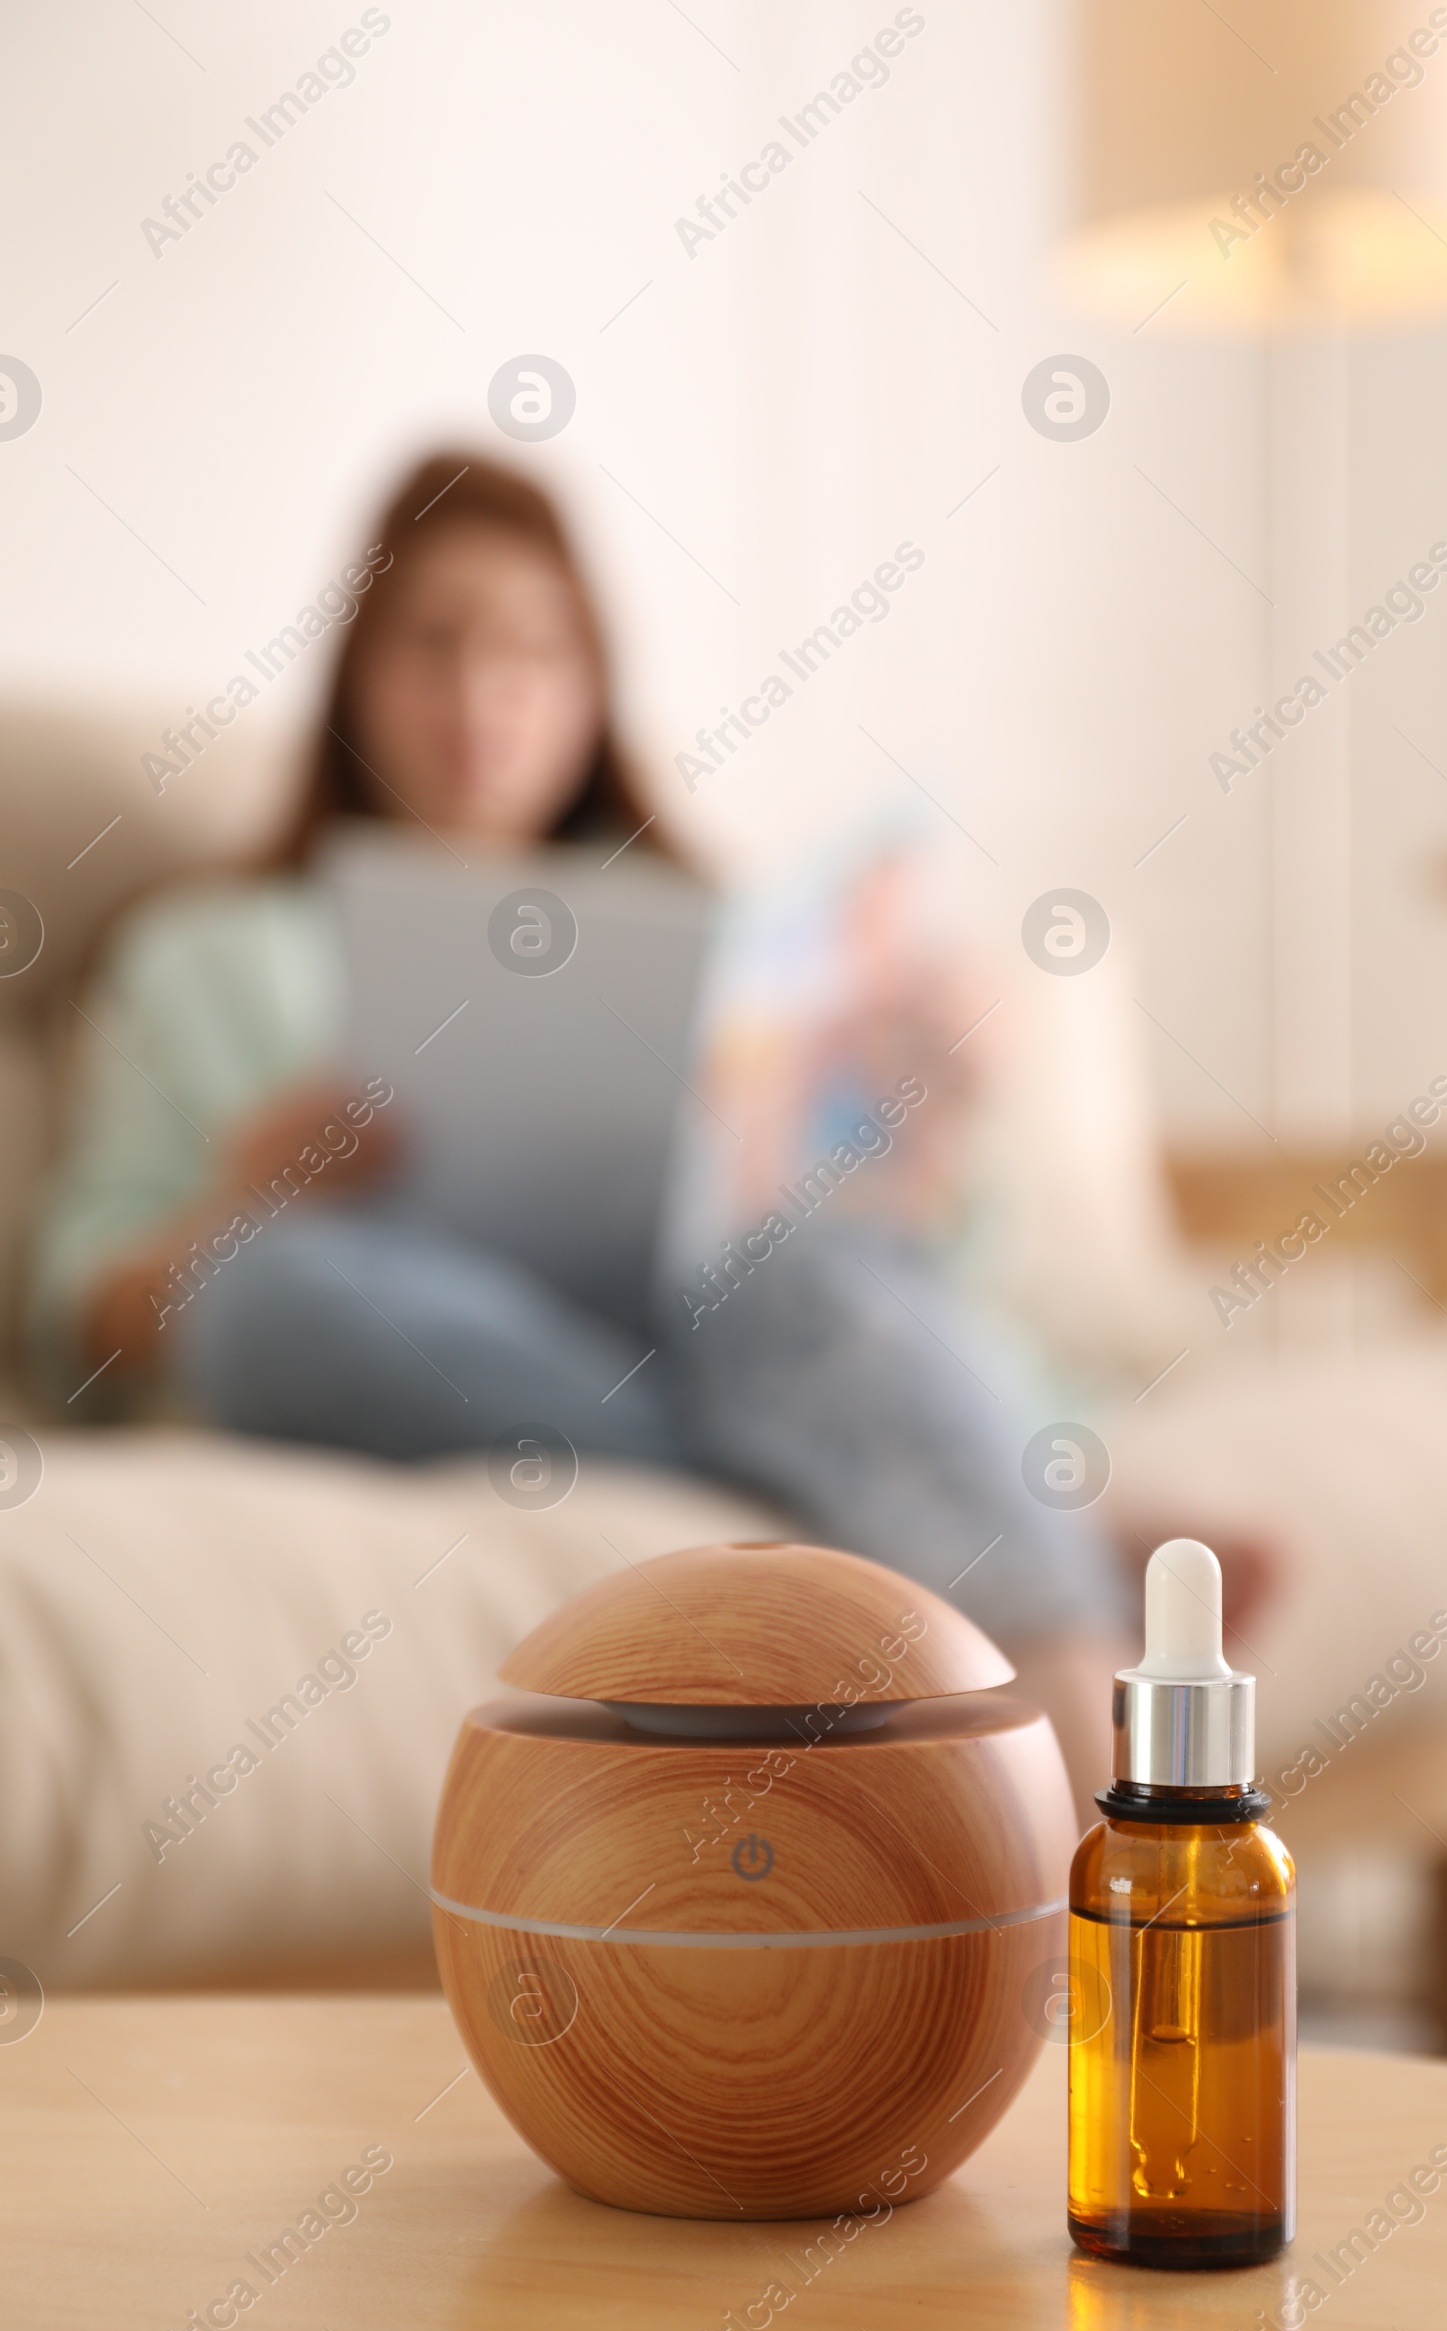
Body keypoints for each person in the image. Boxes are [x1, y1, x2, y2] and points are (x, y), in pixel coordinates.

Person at [31, 451, 1133, 1798]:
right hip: (430, 1339)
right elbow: (79, 1317)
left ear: (593, 689)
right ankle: (923, 1504)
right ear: (354, 678)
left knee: (797, 1267)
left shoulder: (717, 940)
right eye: (431, 644)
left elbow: (901, 1282)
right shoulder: (205, 957)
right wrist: (239, 1203)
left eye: (534, 650)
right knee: (264, 1295)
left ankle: (1105, 1811)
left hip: (714, 1308)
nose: (480, 695)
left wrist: (914, 1125)